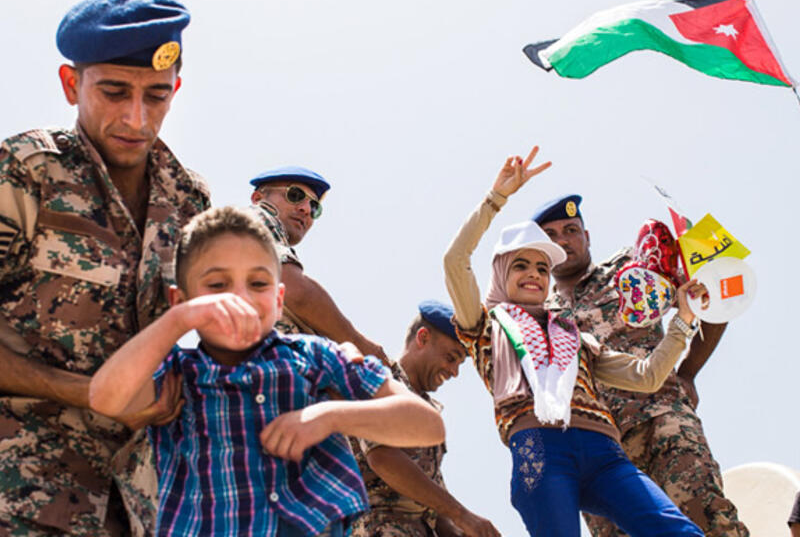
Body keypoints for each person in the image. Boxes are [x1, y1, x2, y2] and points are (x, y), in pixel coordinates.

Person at [88, 206, 445, 536]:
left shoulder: (316, 357)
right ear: (181, 300)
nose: (240, 296)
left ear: (278, 299)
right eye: (216, 285)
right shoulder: (180, 375)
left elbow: (426, 424)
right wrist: (178, 320)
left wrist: (330, 416)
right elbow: (105, 397)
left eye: (258, 284)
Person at [0, 0, 209, 535]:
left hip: (139, 506)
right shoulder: (27, 171)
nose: (136, 118)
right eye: (114, 91)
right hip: (20, 492)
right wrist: (91, 394)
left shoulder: (191, 203)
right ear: (72, 85)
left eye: (157, 96)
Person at [443, 146, 705, 537]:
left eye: (542, 268)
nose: (534, 274)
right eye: (521, 265)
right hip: (538, 449)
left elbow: (648, 376)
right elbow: (455, 261)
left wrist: (683, 319)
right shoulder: (485, 325)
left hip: (606, 455)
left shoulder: (573, 337)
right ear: (500, 272)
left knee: (678, 532)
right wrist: (497, 198)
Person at [536, 194, 749, 537]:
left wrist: (688, 373)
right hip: (597, 450)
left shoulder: (632, 267)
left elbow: (713, 291)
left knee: (707, 518)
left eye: (571, 230)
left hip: (662, 422)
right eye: (551, 236)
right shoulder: (537, 315)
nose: (562, 240)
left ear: (587, 237)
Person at [351, 300, 501, 537]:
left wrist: (464, 530)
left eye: (460, 364)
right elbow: (382, 457)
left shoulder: (427, 411)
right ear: (422, 338)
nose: (454, 372)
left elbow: (433, 507)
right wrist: (462, 515)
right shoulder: (382, 380)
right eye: (451, 358)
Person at [250, 167, 387, 361]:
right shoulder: (259, 216)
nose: (305, 209)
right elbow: (297, 292)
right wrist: (362, 346)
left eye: (314, 207)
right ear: (258, 199)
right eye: (295, 195)